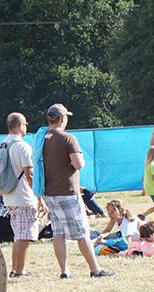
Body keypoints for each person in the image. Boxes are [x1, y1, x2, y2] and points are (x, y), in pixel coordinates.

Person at [40, 104, 115, 279]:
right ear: (62, 118)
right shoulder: (68, 138)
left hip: (49, 192)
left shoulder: (42, 138)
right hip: (67, 192)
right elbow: (78, 164)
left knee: (59, 233)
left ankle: (64, 270)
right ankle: (95, 269)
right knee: (82, 233)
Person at [0, 112, 40, 277]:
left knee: (18, 235)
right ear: (21, 125)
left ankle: (16, 269)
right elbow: (29, 174)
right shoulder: (22, 146)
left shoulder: (2, 144)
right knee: (23, 236)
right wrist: (38, 195)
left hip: (8, 195)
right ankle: (19, 270)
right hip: (23, 196)